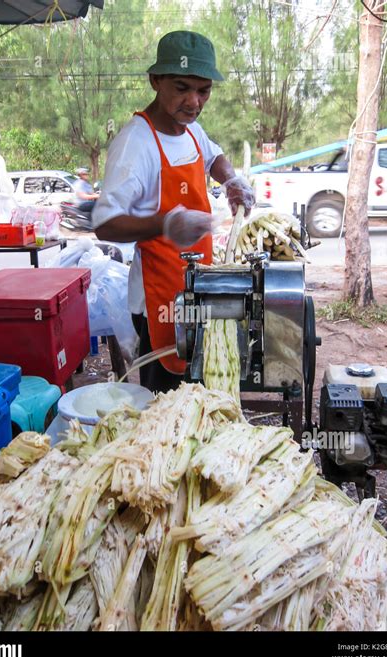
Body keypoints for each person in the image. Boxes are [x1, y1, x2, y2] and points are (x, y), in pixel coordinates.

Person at [93, 30, 255, 393]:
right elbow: (103, 223)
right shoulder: (136, 144)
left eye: (203, 91)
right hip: (160, 303)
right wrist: (164, 224)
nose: (194, 101)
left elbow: (213, 155)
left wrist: (231, 180)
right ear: (156, 80)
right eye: (182, 87)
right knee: (167, 406)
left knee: (203, 389)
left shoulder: (190, 128)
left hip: (199, 288)